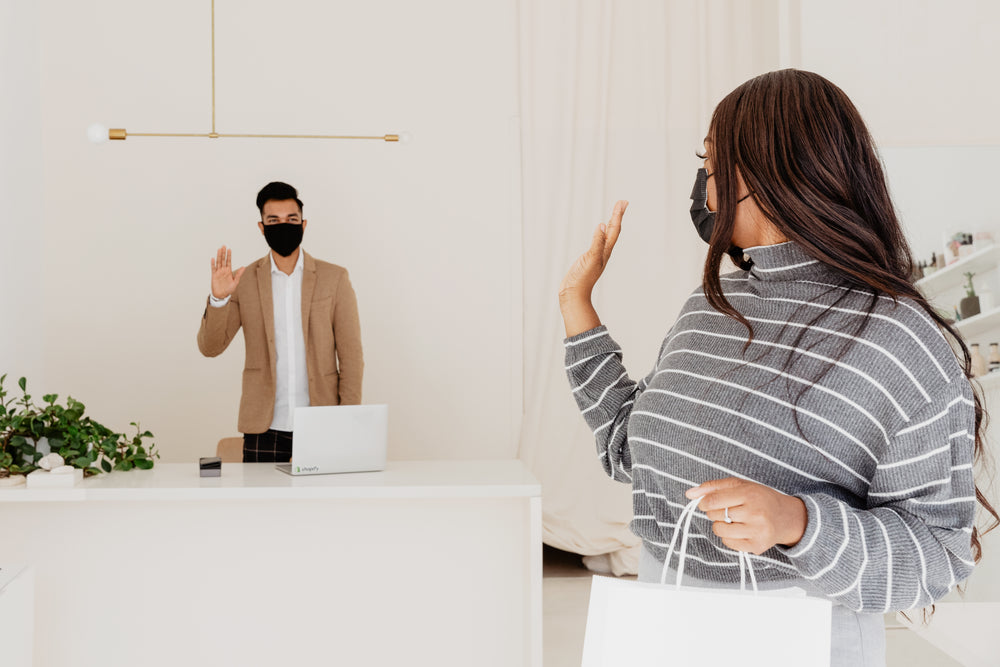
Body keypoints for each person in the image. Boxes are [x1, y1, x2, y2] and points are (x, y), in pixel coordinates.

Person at [559, 69, 997, 666]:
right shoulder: (711, 306)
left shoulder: (899, 342)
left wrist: (798, 522)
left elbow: (938, 555)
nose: (702, 192)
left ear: (766, 175)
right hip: (665, 624)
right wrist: (576, 307)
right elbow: (627, 450)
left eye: (711, 167)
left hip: (799, 637)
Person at [197, 181, 363, 462]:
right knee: (261, 506)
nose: (283, 225)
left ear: (303, 224)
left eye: (291, 219)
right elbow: (211, 347)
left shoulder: (334, 278)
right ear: (262, 227)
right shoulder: (244, 280)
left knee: (326, 506)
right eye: (273, 220)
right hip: (264, 428)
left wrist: (346, 419)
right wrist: (219, 298)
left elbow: (351, 358)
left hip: (323, 422)